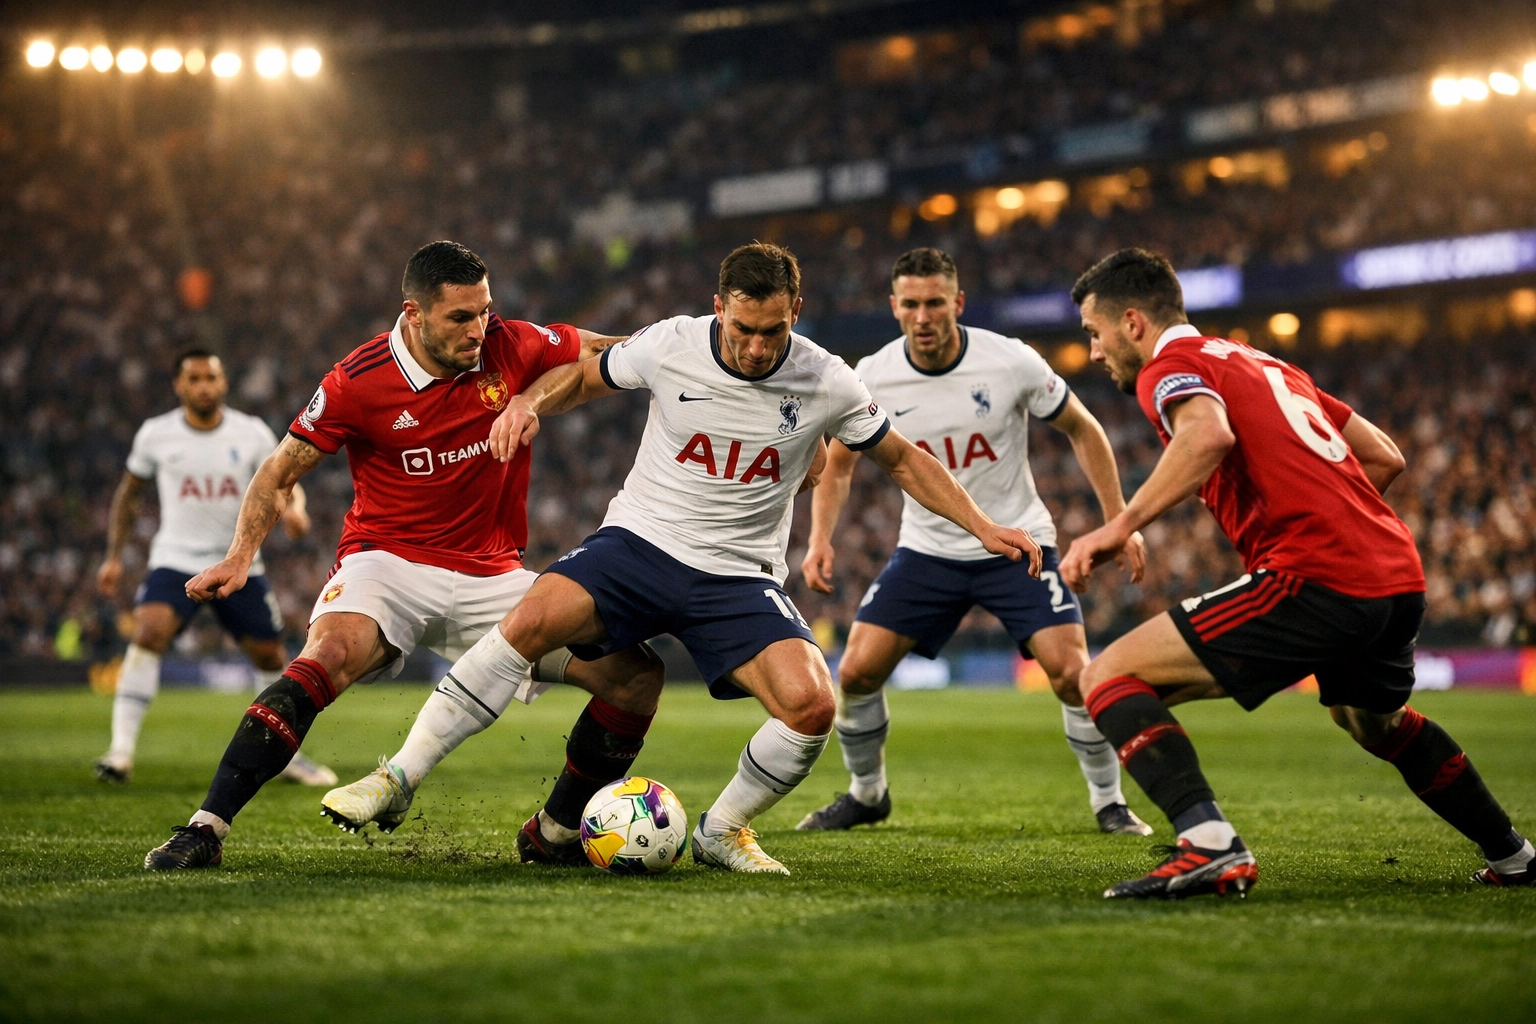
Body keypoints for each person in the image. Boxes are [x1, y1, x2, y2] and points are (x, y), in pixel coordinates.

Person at [360, 242, 1042, 875]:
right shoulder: (672, 343)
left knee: (811, 705)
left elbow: (901, 459)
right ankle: (400, 777)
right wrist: (527, 403)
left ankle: (723, 830)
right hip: (639, 544)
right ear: (719, 308)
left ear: (794, 315)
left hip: (739, 576)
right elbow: (585, 376)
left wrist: (982, 525)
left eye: (771, 331)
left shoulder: (827, 379)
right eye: (741, 328)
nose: (753, 346)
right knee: (530, 619)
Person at [142, 241, 663, 871]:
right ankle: (206, 827)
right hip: (387, 563)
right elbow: (279, 470)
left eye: (485, 312)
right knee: (325, 658)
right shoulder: (357, 381)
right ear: (413, 314)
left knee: (634, 676)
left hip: (492, 574)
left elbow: (614, 352)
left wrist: (689, 355)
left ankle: (552, 833)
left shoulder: (510, 342)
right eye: (461, 318)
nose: (480, 330)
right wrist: (237, 555)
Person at [1061, 248, 1533, 898]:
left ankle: (1209, 846)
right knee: (1371, 721)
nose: (1092, 350)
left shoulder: (1169, 366)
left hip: (1317, 576)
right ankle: (1515, 856)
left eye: (1094, 332)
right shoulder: (1263, 362)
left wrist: (1120, 524)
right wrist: (1331, 520)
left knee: (1107, 676)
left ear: (1134, 322)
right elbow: (1384, 456)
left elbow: (1206, 437)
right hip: (1396, 575)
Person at [798, 247, 1151, 836]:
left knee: (1070, 673)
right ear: (894, 307)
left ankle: (1109, 801)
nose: (923, 315)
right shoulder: (874, 374)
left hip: (1019, 543)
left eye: (935, 302)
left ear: (957, 303)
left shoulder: (1009, 361)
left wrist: (1120, 520)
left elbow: (1082, 428)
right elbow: (837, 466)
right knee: (856, 672)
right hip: (928, 550)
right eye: (910, 304)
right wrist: (819, 539)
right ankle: (867, 793)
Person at [94, 350, 334, 787]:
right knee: (148, 634)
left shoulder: (251, 431)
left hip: (240, 562)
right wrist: (114, 555)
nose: (204, 385)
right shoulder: (156, 435)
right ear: (179, 385)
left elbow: (285, 478)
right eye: (195, 378)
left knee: (270, 656)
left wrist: (296, 510)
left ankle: (286, 758)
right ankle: (120, 753)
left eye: (211, 378)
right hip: (176, 560)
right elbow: (128, 496)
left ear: (224, 384)